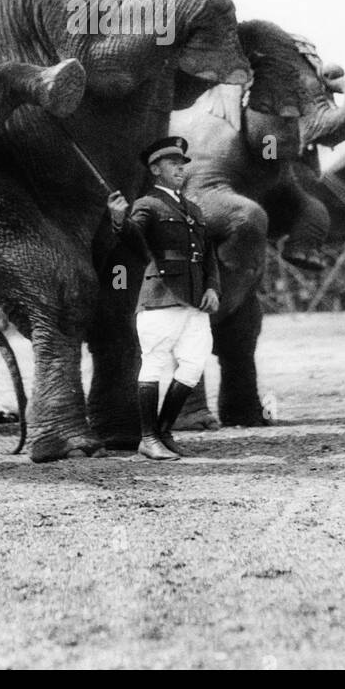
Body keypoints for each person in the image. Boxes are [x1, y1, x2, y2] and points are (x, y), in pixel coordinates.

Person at [110, 136, 221, 460]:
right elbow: (134, 242)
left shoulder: (194, 208)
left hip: (196, 301)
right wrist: (119, 220)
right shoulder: (147, 205)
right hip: (161, 297)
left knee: (194, 364)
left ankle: (163, 431)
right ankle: (148, 437)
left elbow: (208, 255)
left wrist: (213, 288)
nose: (180, 169)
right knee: (155, 362)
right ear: (156, 168)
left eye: (182, 164)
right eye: (173, 164)